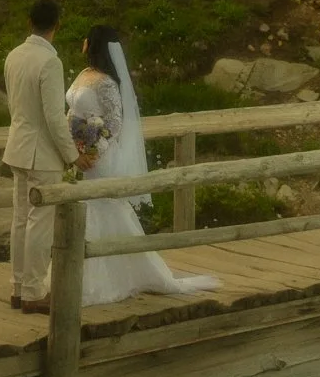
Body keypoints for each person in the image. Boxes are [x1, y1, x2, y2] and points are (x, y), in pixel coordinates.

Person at [68, 26, 218, 306]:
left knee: (104, 208)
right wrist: (70, 143)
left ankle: (105, 279)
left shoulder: (107, 83)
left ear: (91, 44)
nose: (83, 43)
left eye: (86, 39)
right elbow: (72, 113)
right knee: (84, 208)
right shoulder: (83, 76)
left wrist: (92, 150)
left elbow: (113, 122)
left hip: (98, 156)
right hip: (78, 153)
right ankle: (82, 274)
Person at [2, 0, 74, 314]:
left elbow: (14, 106)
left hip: (17, 145)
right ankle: (33, 292)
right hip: (41, 153)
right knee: (39, 223)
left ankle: (18, 288)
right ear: (57, 25)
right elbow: (55, 118)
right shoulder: (50, 63)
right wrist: (73, 155)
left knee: (20, 219)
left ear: (29, 23)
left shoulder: (14, 56)